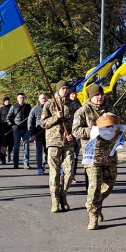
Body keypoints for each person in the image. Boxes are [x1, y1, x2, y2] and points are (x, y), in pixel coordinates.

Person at [82, 112, 126, 229]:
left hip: (110, 156)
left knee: (109, 185)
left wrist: (118, 131)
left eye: (101, 95)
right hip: (93, 157)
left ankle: (93, 203)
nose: (100, 97)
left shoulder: (110, 109)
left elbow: (117, 124)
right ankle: (93, 216)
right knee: (95, 186)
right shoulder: (83, 111)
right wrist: (93, 130)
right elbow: (76, 131)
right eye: (97, 95)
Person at [41, 80, 77, 212]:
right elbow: (43, 123)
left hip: (68, 142)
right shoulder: (49, 104)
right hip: (54, 142)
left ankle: (63, 195)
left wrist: (73, 135)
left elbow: (77, 123)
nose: (65, 91)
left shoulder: (73, 104)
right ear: (57, 90)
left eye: (67, 88)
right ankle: (55, 200)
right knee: (54, 173)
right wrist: (55, 117)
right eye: (63, 89)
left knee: (69, 172)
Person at [7, 92, 32, 169]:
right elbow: (8, 118)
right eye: (20, 98)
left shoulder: (28, 106)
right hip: (17, 129)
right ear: (17, 99)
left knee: (26, 146)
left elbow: (31, 117)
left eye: (23, 98)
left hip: (26, 129)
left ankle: (26, 162)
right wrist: (12, 125)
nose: (22, 99)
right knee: (16, 146)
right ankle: (15, 163)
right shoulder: (13, 107)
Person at [28, 92, 48, 174]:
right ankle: (40, 167)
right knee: (39, 150)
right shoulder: (34, 109)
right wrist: (32, 134)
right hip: (38, 134)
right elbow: (30, 122)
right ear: (39, 100)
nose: (44, 99)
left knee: (48, 152)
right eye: (42, 98)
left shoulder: (51, 107)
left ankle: (44, 163)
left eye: (45, 98)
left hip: (49, 134)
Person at [0, 96, 13, 165]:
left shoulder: (12, 108)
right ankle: (2, 157)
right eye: (6, 101)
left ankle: (9, 153)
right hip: (3, 127)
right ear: (3, 102)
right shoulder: (1, 109)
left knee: (11, 143)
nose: (7, 102)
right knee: (2, 143)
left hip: (11, 127)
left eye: (8, 101)